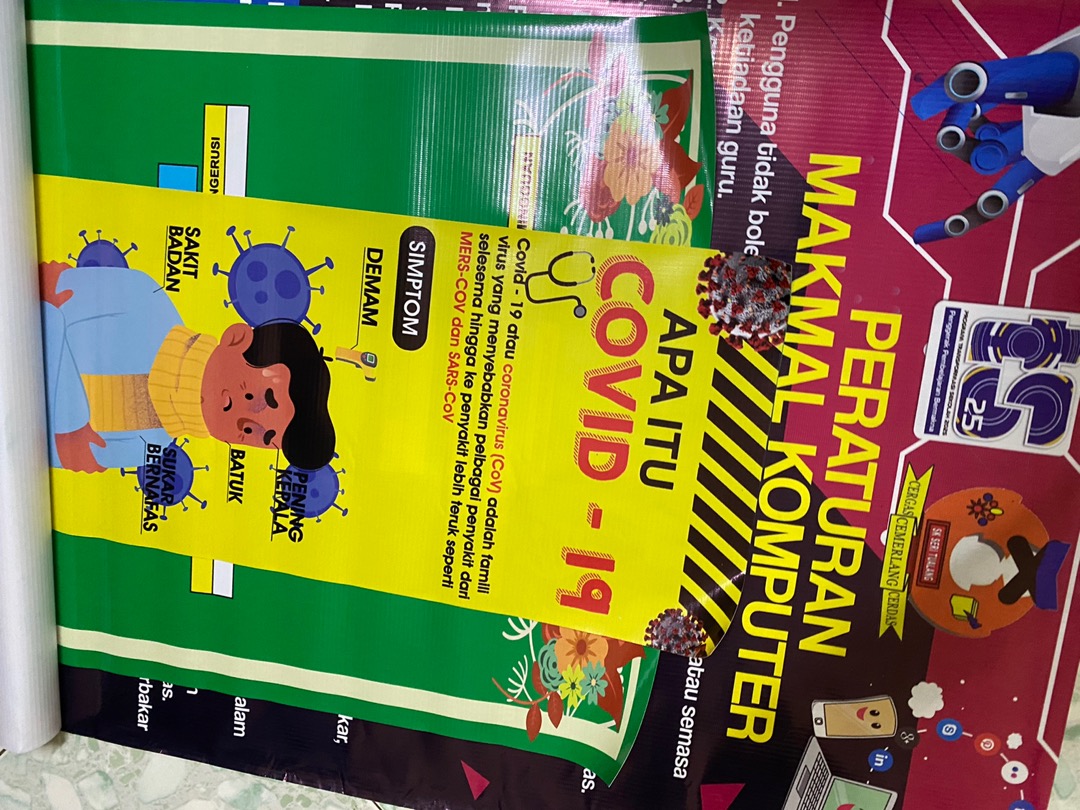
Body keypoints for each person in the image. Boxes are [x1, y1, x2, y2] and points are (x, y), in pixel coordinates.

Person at [39, 260, 334, 473]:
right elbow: (42, 297)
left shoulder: (148, 446)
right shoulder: (144, 299)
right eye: (262, 399)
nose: (246, 423)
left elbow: (49, 455)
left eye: (263, 436)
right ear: (236, 338)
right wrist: (72, 420)